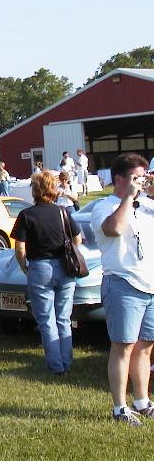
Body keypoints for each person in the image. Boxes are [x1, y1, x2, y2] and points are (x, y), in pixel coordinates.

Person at [91, 153, 154, 426]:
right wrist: (129, 197)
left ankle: (142, 402)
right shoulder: (103, 207)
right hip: (122, 283)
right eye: (136, 177)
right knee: (123, 347)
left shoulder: (148, 205)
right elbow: (114, 229)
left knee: (145, 347)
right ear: (119, 179)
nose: (141, 182)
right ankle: (120, 408)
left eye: (144, 177)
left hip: (150, 285)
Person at [10, 171, 82, 375]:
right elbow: (77, 239)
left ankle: (56, 366)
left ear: (34, 190)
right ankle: (66, 363)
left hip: (40, 267)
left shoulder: (26, 215)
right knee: (64, 318)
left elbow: (19, 248)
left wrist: (24, 267)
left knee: (46, 320)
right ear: (54, 190)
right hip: (65, 267)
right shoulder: (63, 212)